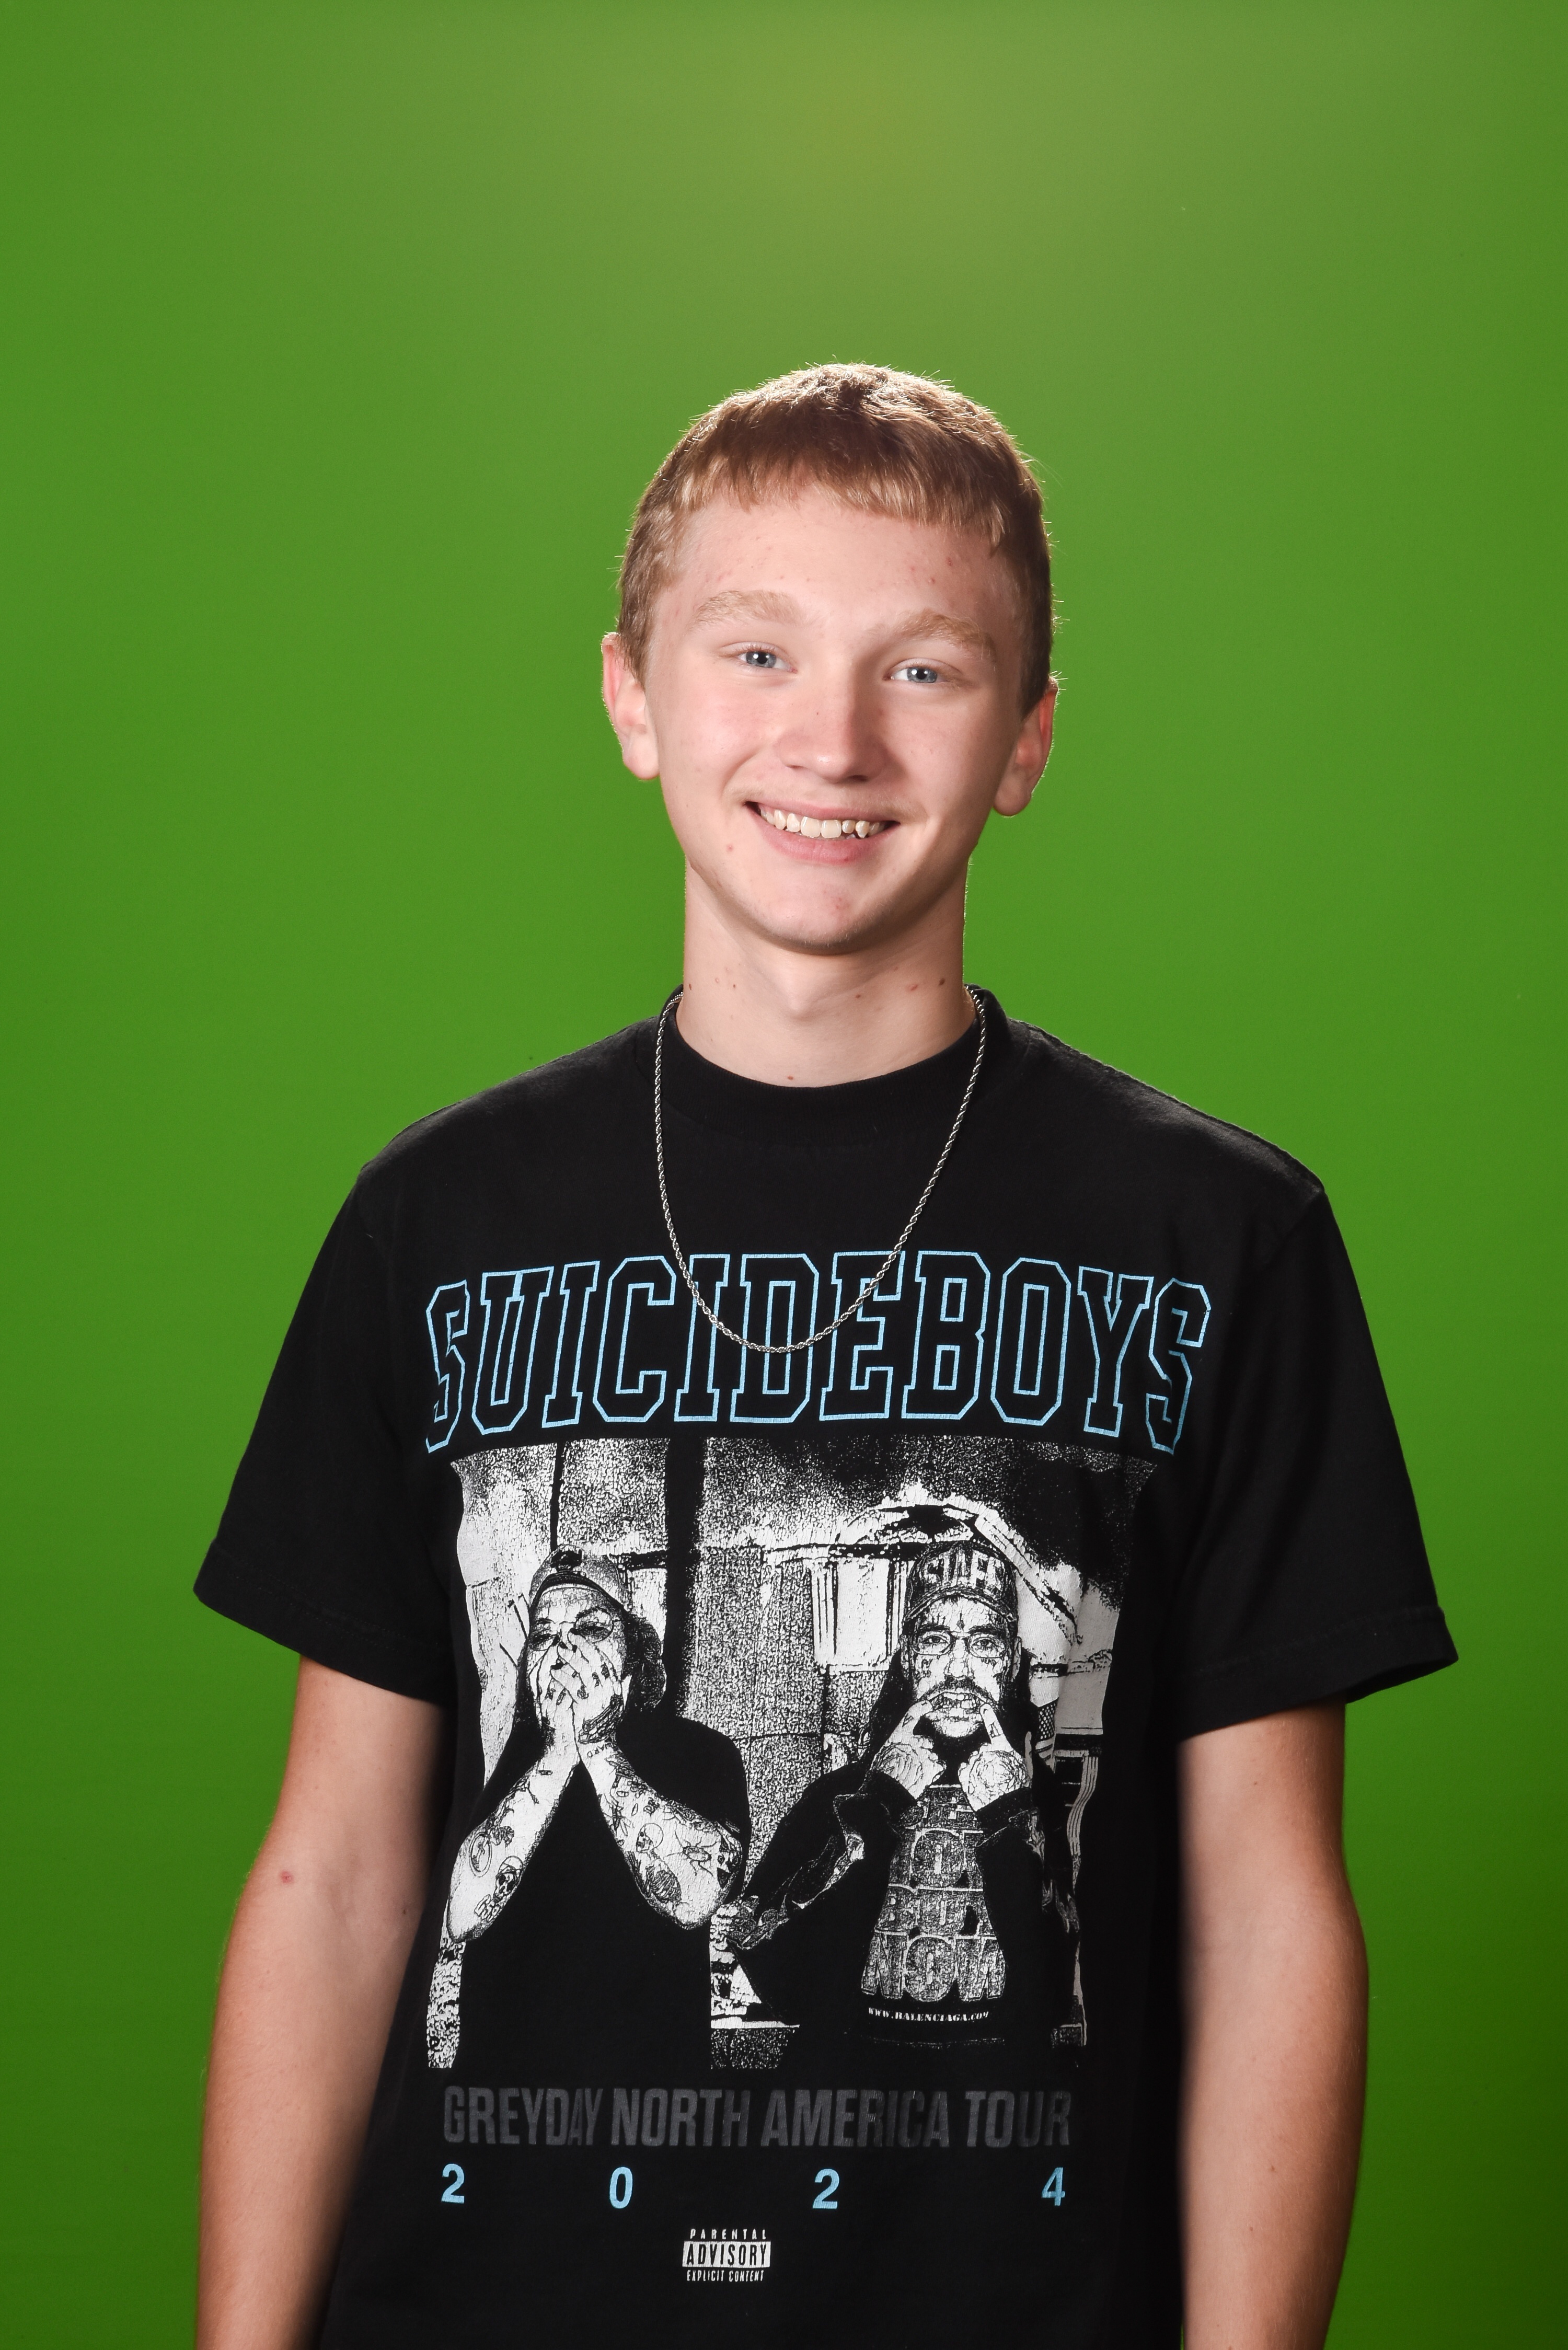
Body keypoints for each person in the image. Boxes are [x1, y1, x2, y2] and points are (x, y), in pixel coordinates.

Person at [194, 363, 1456, 2350]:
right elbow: (336, 1872)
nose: (832, 737)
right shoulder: (434, 1222)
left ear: (1027, 738)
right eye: (756, 649)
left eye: (923, 669)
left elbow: (1268, 1909)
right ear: (632, 697)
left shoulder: (1220, 1238)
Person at [734, 1541, 1078, 2058]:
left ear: (1010, 1664)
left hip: (990, 2098)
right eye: (936, 1639)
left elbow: (1054, 1996)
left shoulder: (1047, 1803)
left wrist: (1009, 1822)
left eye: (984, 1643)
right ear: (910, 1658)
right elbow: (779, 1981)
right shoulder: (840, 1794)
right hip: (850, 2096)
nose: (958, 1667)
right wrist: (876, 1809)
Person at [426, 1550, 746, 2074]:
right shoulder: (516, 1758)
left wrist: (597, 1745)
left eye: (591, 1628)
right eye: (543, 1635)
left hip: (638, 2095)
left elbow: (696, 1896)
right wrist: (557, 1757)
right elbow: (461, 1914)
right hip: (508, 2096)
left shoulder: (700, 1752)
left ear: (634, 1653)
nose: (563, 1651)